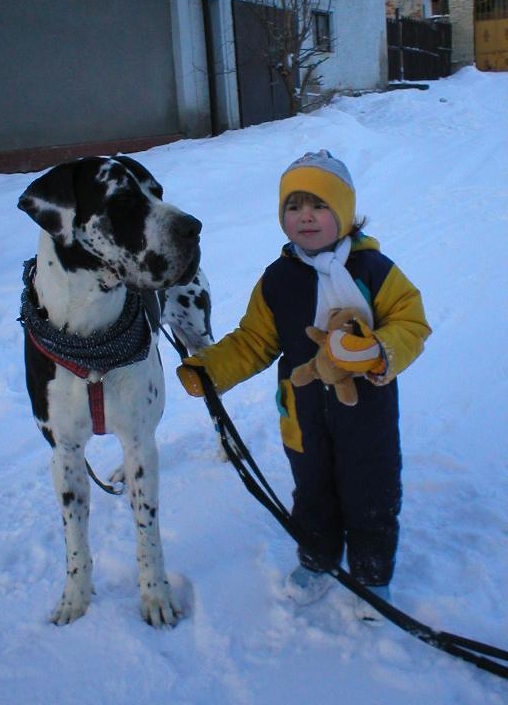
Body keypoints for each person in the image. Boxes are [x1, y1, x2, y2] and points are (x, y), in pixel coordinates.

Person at [177, 149, 431, 621]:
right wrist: (209, 370)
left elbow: (412, 322)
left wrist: (379, 348)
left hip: (369, 411)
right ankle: (318, 560)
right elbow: (254, 339)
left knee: (371, 491)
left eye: (317, 205)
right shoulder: (278, 280)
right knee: (311, 489)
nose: (304, 217)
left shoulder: (375, 271)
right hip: (302, 411)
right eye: (293, 207)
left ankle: (372, 576)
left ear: (345, 213)